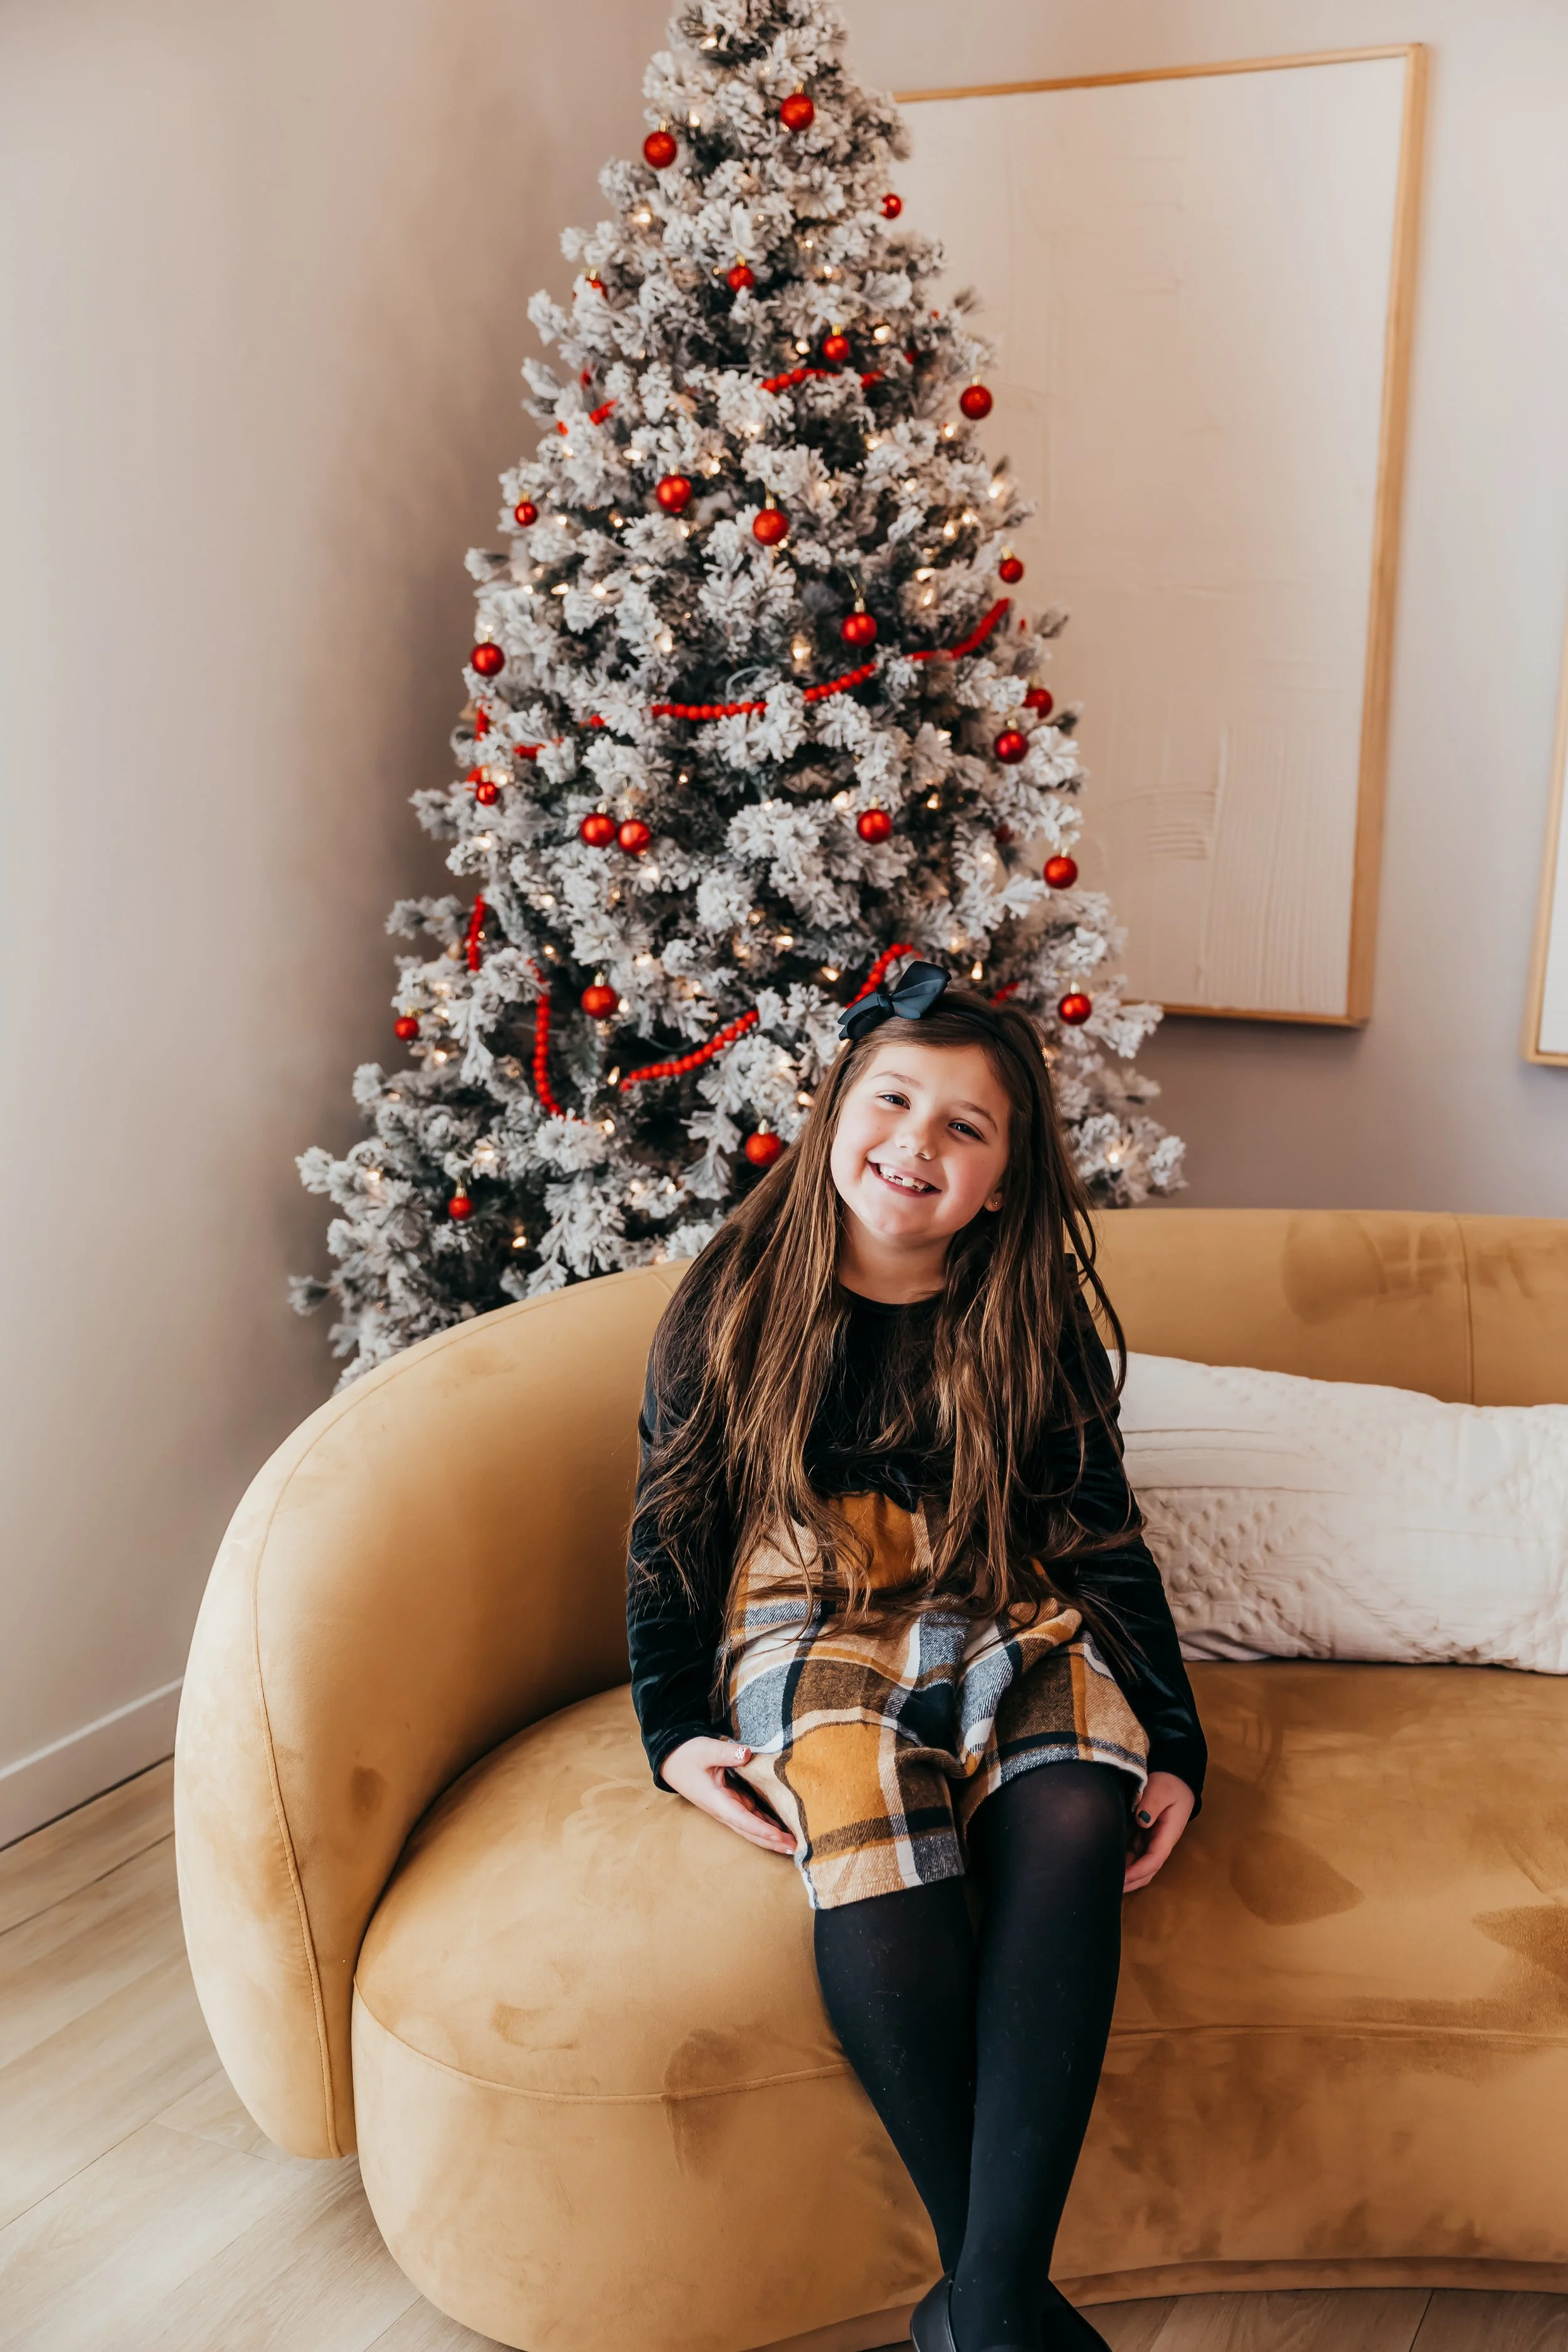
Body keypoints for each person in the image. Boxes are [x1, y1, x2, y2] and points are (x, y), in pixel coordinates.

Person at [627, 961, 1205, 2352]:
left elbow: (1101, 1542)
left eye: (966, 1127)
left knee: (1072, 1798)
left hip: (999, 1603)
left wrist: (1176, 1744)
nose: (917, 1144)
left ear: (1004, 1177)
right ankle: (998, 2302)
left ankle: (980, 2308)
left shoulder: (1028, 1317)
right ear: (832, 1115)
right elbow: (668, 1538)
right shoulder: (729, 1306)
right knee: (859, 1786)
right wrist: (672, 1735)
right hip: (810, 1615)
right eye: (892, 1101)